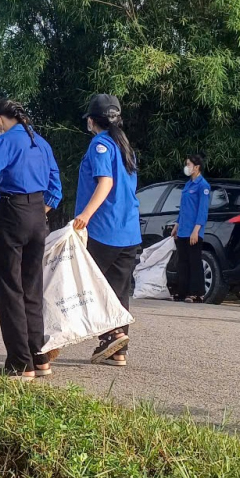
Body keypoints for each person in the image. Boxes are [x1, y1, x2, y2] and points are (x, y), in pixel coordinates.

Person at [0, 100, 61, 379]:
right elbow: (56, 187)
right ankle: (39, 357)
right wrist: (38, 209)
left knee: (11, 288)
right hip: (38, 214)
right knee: (32, 286)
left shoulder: (5, 142)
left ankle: (18, 362)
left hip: (12, 211)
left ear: (1, 118)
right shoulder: (41, 142)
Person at [72, 94, 142, 366]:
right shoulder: (125, 146)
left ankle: (112, 334)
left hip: (104, 229)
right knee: (118, 289)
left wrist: (85, 215)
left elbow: (105, 183)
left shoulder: (100, 144)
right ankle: (118, 350)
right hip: (128, 229)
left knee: (89, 284)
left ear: (91, 121)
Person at [171, 154, 210, 303]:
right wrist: (177, 224)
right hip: (183, 229)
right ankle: (183, 291)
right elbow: (183, 209)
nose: (186, 167)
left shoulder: (203, 186)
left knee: (194, 261)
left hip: (194, 230)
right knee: (183, 261)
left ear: (196, 167)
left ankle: (196, 293)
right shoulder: (188, 185)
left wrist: (196, 230)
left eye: (189, 164)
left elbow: (202, 210)